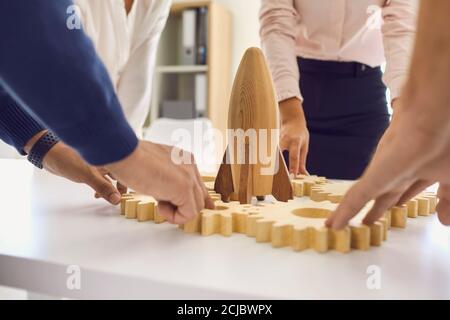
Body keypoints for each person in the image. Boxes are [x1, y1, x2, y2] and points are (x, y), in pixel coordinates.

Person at [0, 0, 213, 224]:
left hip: (97, 192)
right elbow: (27, 23)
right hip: (46, 201)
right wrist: (121, 150)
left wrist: (126, 158)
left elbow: (135, 88)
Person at [326, 0, 450, 228]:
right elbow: (277, 22)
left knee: (379, 188)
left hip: (365, 91)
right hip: (305, 90)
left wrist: (412, 111)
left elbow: (400, 26)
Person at [260, 0, 417, 179]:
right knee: (286, 198)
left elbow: (401, 30)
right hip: (297, 98)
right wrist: (290, 115)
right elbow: (276, 23)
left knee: (373, 195)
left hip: (364, 102)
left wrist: (404, 116)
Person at [75, 0, 171, 136]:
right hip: (59, 134)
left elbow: (137, 81)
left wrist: (128, 147)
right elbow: (75, 82)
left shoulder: (156, 3)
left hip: (108, 139)